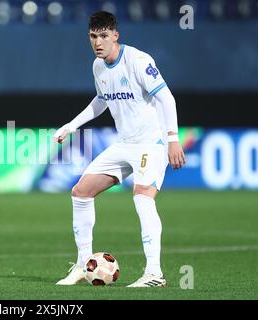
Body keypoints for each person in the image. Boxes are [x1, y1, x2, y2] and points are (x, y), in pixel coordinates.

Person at [53, 11, 186, 287]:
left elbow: (166, 98)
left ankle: (154, 274)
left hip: (152, 143)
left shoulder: (138, 61)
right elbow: (101, 101)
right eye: (93, 36)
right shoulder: (98, 67)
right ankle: (81, 264)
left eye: (103, 36)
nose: (98, 42)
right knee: (81, 192)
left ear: (116, 35)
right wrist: (72, 125)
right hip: (124, 144)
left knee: (142, 199)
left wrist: (172, 139)